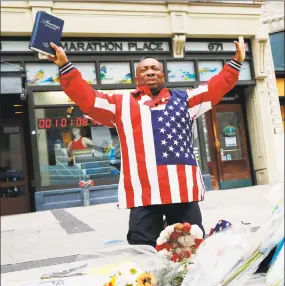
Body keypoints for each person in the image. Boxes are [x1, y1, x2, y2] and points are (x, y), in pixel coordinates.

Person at [49, 37, 246, 247]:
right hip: (143, 194)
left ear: (163, 75)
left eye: (155, 68)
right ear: (136, 78)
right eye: (144, 70)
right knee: (143, 249)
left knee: (190, 247)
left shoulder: (185, 100)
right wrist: (65, 66)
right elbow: (88, 98)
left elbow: (214, 88)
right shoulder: (120, 104)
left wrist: (236, 63)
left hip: (182, 191)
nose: (150, 72)